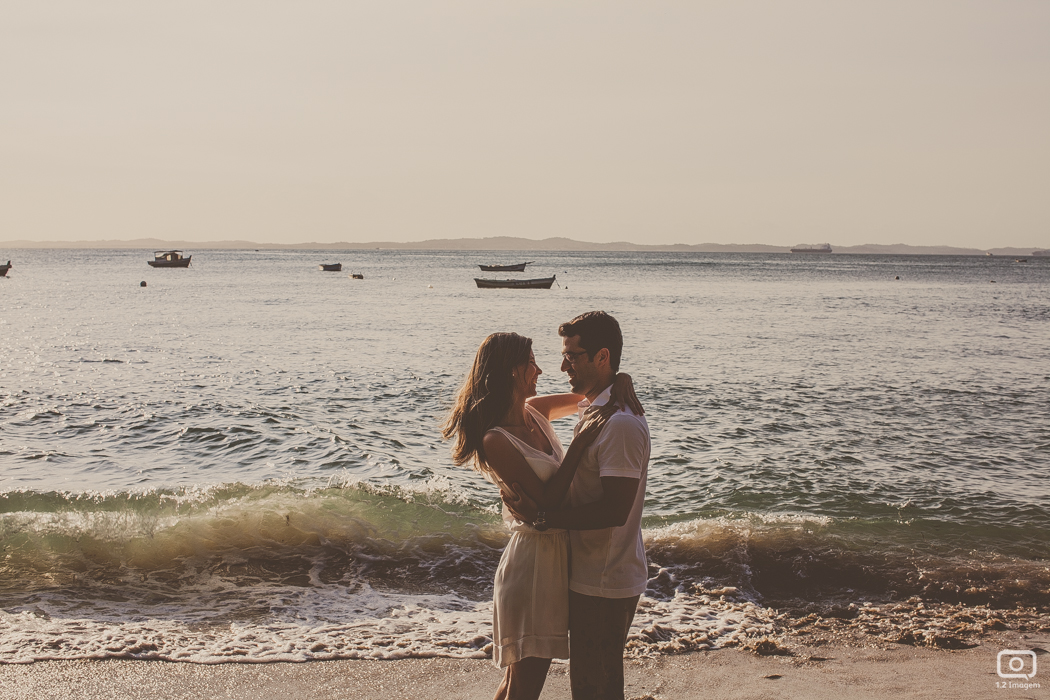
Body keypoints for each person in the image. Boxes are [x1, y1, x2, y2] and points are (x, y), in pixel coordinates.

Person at [443, 332, 642, 700]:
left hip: (556, 559)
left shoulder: (536, 410)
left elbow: (590, 393)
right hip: (532, 565)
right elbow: (549, 499)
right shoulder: (495, 440)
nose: (540, 369)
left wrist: (622, 378)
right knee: (525, 686)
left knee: (515, 684)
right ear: (513, 371)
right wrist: (581, 442)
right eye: (531, 362)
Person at [503, 311, 650, 700]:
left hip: (605, 576)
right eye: (563, 354)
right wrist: (620, 377)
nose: (562, 364)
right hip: (587, 572)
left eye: (573, 355)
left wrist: (544, 519)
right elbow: (526, 405)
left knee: (596, 690)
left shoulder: (618, 423)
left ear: (601, 357)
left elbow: (615, 511)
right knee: (589, 685)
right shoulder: (594, 410)